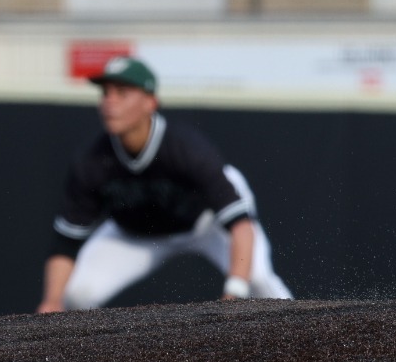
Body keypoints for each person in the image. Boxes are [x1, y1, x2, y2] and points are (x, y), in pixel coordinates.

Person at [37, 55, 292, 312]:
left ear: (150, 102)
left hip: (206, 224)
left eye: (122, 92)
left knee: (257, 280)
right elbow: (67, 241)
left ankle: (307, 338)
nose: (109, 101)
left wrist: (234, 292)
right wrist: (51, 301)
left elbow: (241, 225)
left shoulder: (185, 148)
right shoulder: (91, 160)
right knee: (77, 294)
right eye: (105, 92)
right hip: (136, 235)